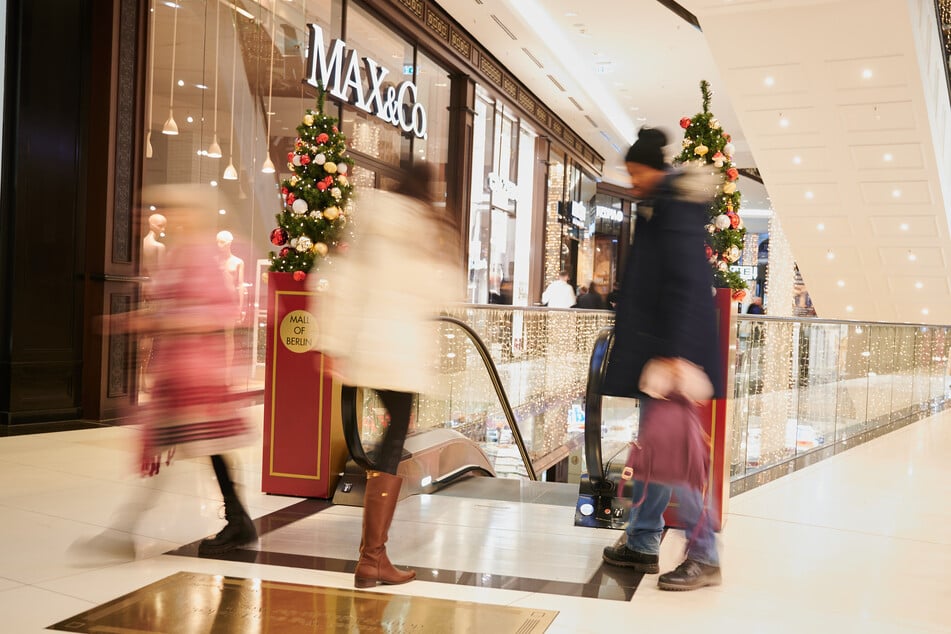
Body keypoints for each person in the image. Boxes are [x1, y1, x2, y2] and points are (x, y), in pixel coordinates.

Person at [312, 163, 463, 588]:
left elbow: (342, 278)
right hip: (401, 352)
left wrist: (333, 343)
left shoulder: (370, 214)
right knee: (393, 438)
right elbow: (446, 292)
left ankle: (372, 557)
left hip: (366, 346)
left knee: (391, 437)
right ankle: (372, 558)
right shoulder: (428, 227)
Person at [104, 185, 259, 556]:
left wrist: (151, 324)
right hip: (181, 374)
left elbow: (212, 313)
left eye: (179, 211)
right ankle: (237, 521)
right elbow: (168, 308)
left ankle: (126, 529)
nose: (173, 217)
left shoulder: (201, 257)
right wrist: (131, 320)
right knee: (201, 446)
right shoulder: (181, 254)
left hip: (195, 376)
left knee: (202, 445)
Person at [600, 127, 724, 591]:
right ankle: (642, 538)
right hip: (660, 357)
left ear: (653, 170)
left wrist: (676, 357)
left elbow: (686, 289)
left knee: (676, 457)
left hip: (671, 362)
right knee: (655, 454)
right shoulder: (662, 209)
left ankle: (705, 553)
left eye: (635, 173)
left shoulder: (675, 213)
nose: (632, 183)